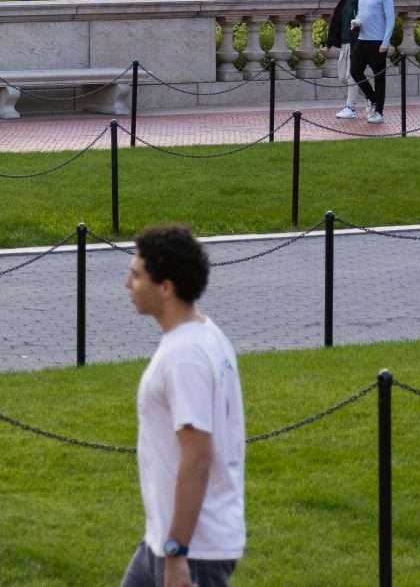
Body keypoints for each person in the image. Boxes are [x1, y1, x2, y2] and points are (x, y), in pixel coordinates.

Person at [122, 224, 245, 587]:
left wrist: (178, 552)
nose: (127, 285)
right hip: (162, 542)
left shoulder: (185, 355)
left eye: (136, 276)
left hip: (193, 549)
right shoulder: (204, 335)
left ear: (166, 287)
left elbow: (197, 457)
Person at [338, 0, 395, 125]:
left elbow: (390, 19)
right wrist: (356, 23)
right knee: (355, 71)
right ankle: (373, 99)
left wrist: (386, 41)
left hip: (378, 42)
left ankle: (379, 112)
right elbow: (362, 14)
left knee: (379, 77)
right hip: (362, 39)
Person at [327, 0, 362, 116]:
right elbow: (335, 22)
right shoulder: (343, 1)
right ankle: (371, 98)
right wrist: (329, 43)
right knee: (343, 76)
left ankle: (350, 107)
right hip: (344, 43)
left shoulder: (361, 1)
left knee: (351, 76)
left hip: (357, 44)